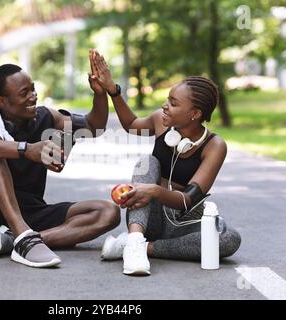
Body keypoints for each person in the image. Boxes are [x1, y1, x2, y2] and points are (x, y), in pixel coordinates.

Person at [0, 51, 120, 268]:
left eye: (33, 89)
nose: (33, 96)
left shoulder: (45, 117)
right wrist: (26, 149)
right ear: (2, 101)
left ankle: (21, 241)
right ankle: (23, 235)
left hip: (30, 212)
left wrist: (100, 94)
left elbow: (94, 127)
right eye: (24, 93)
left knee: (108, 212)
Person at [90, 50, 241, 276]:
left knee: (229, 239)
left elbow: (188, 200)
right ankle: (135, 240)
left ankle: (141, 248)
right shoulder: (161, 122)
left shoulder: (214, 145)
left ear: (195, 113)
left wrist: (155, 191)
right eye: (167, 100)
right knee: (147, 162)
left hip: (182, 220)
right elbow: (131, 123)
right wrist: (113, 90)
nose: (165, 106)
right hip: (150, 217)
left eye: (173, 102)